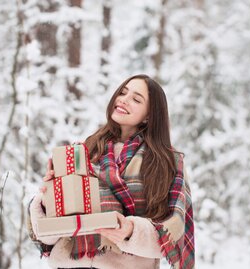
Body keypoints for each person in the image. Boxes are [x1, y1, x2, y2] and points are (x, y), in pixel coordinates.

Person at [27, 74, 195, 269]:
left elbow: (173, 233)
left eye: (136, 99)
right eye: (122, 93)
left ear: (149, 115)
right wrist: (50, 196)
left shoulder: (167, 163)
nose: (124, 99)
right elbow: (51, 233)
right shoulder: (83, 152)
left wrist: (130, 231)